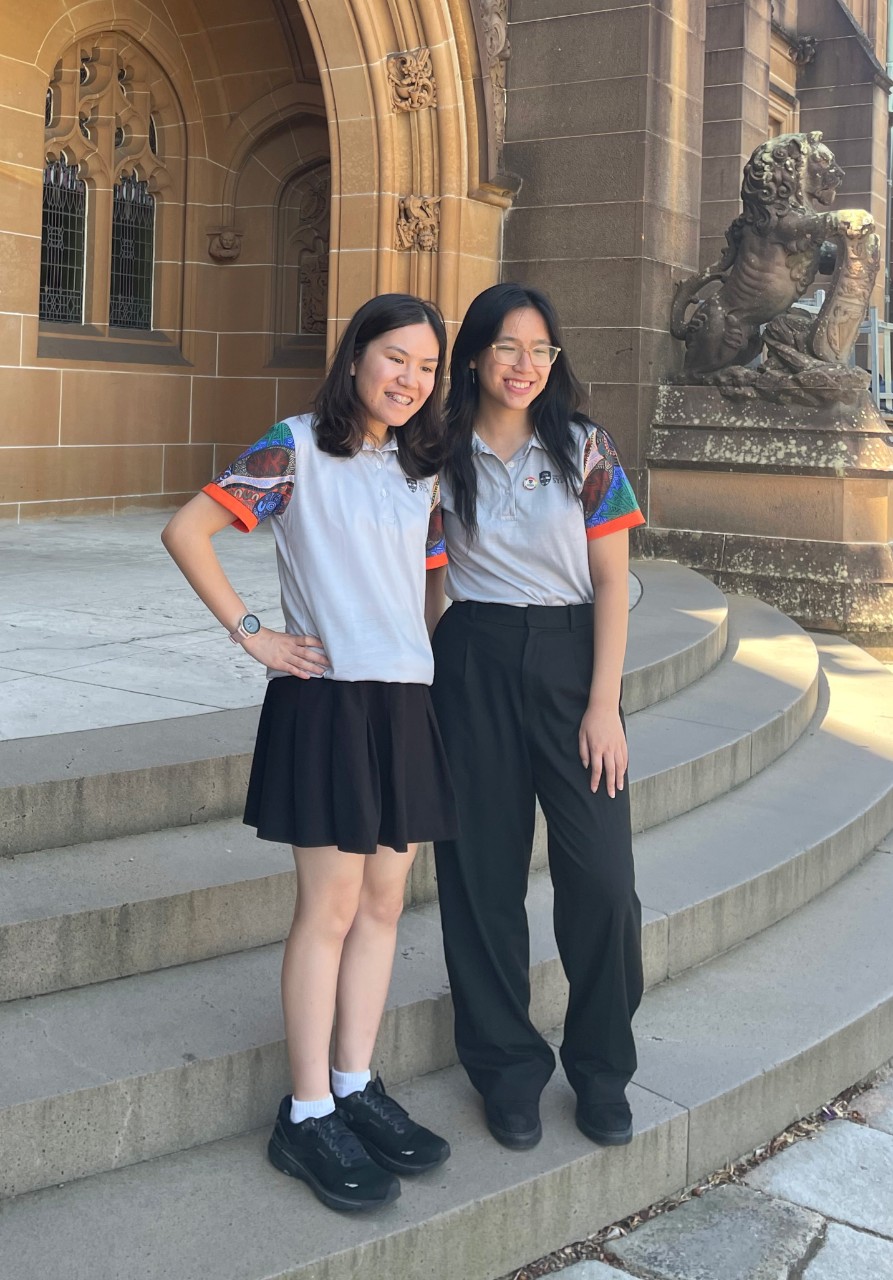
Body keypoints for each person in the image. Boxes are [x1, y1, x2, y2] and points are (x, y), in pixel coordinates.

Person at [161, 294, 457, 1213]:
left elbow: (431, 579)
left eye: (427, 367)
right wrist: (254, 634)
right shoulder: (294, 446)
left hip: (402, 702)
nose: (409, 380)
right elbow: (187, 531)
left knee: (382, 903)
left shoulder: (423, 467)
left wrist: (425, 659)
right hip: (324, 702)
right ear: (357, 355)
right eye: (395, 358)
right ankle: (306, 1110)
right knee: (327, 911)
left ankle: (357, 1083)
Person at [427, 282, 645, 1153]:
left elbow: (610, 584)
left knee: (600, 881)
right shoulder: (435, 451)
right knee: (480, 879)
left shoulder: (585, 447)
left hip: (569, 659)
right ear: (475, 355)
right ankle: (506, 1070)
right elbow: (429, 576)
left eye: (540, 349)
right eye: (507, 347)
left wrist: (603, 705)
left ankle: (601, 1068)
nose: (524, 365)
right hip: (472, 655)